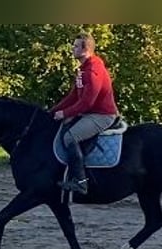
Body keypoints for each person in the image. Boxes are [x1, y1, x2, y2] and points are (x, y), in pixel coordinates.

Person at [50, 32, 119, 195]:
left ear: (85, 49)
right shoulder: (83, 69)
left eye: (75, 46)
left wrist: (65, 113)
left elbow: (87, 102)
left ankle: (80, 182)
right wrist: (52, 111)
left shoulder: (93, 71)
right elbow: (73, 96)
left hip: (102, 115)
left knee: (70, 137)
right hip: (90, 112)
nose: (72, 49)